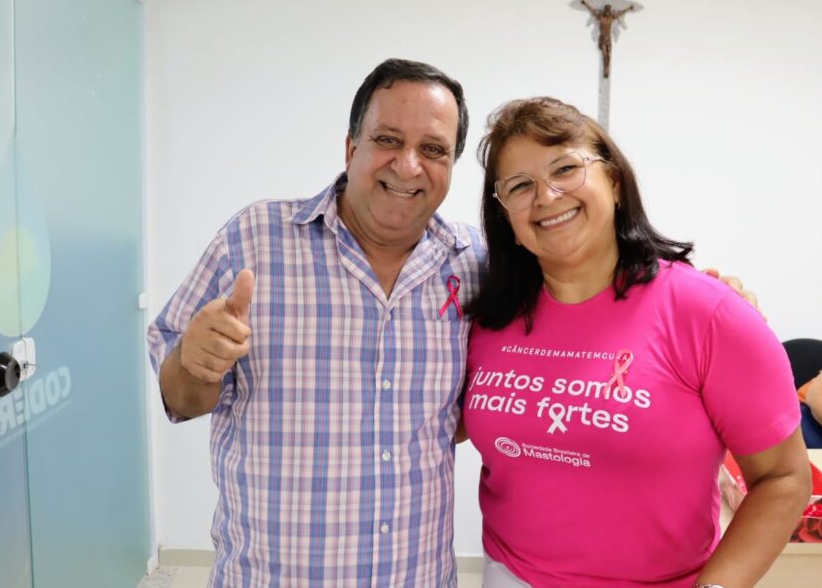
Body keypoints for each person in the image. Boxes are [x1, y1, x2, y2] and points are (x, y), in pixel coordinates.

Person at [147, 59, 762, 587]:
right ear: (350, 148)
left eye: (434, 150)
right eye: (388, 139)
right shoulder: (254, 240)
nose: (408, 165)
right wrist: (196, 365)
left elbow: (578, 287)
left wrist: (711, 301)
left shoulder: (477, 266)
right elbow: (179, 397)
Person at [463, 97, 811, 588]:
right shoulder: (488, 317)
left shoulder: (709, 313)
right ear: (506, 220)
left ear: (614, 182)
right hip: (508, 576)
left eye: (565, 168)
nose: (546, 195)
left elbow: (784, 478)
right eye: (520, 185)